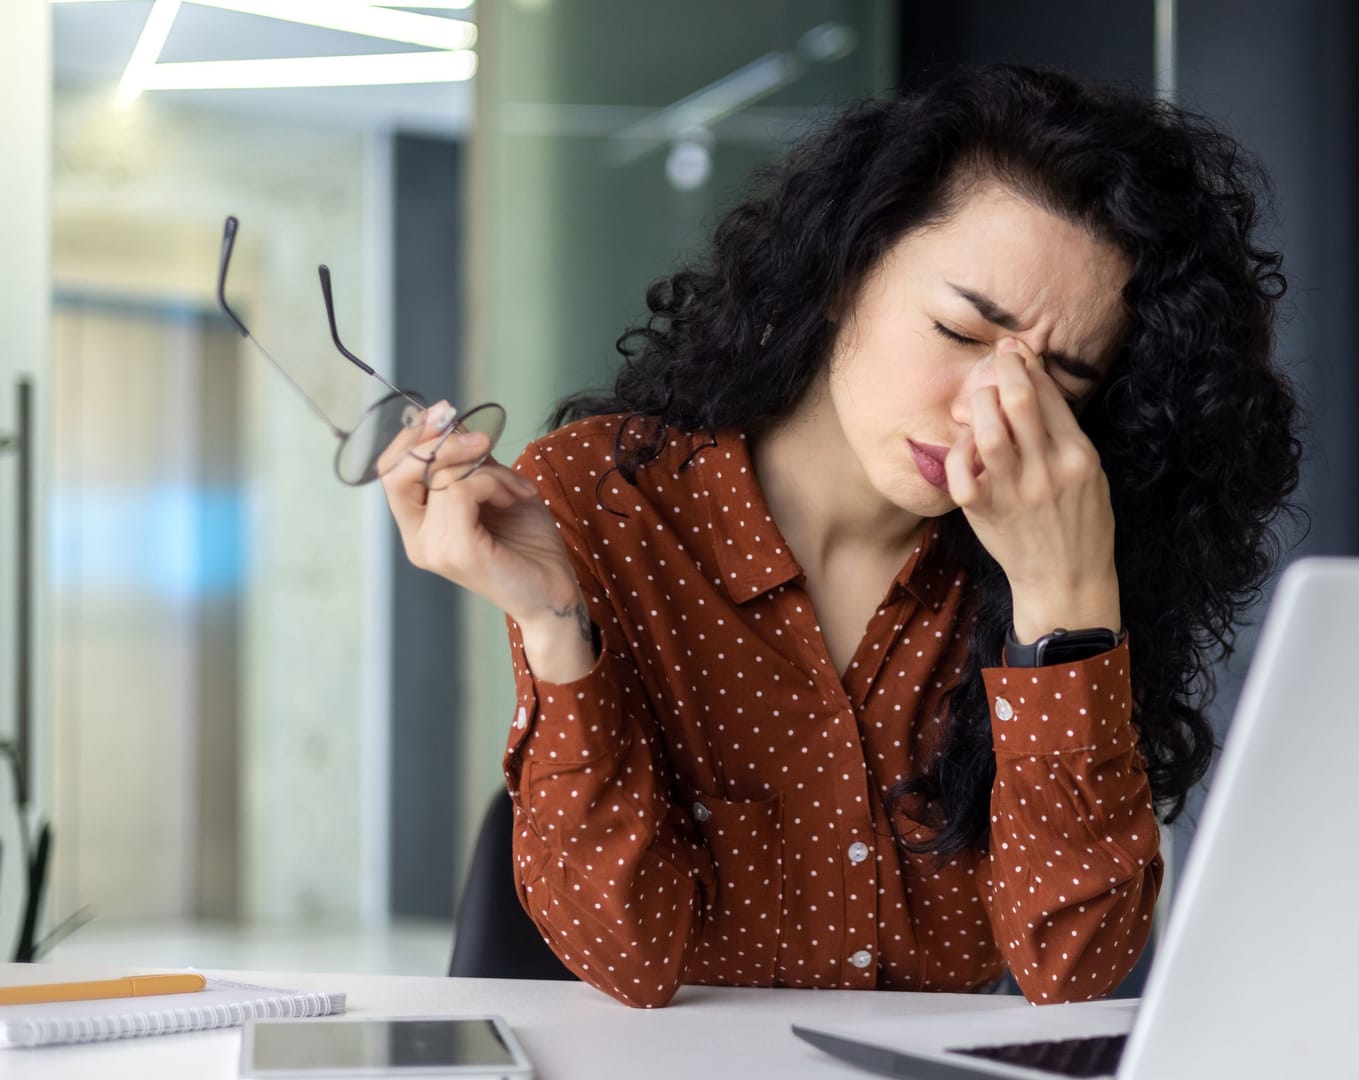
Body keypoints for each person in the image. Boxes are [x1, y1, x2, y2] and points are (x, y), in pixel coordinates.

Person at [379, 64, 1303, 1008]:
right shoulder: (606, 498)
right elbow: (628, 956)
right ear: (842, 275)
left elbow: (1075, 970)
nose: (995, 410)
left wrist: (1064, 609)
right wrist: (552, 620)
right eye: (959, 331)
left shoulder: (1078, 550)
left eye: (1059, 377)